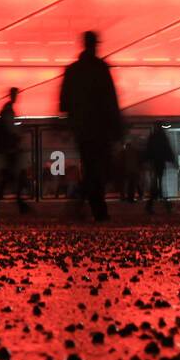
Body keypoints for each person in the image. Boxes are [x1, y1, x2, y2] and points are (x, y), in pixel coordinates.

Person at [58, 31, 121, 222]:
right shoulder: (101, 69)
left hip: (82, 129)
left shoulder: (73, 70)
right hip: (100, 128)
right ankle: (95, 209)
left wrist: (69, 122)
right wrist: (116, 126)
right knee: (97, 169)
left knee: (91, 167)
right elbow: (111, 100)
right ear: (94, 45)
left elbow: (64, 101)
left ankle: (87, 206)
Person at [0, 87, 31, 214]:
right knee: (13, 177)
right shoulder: (9, 110)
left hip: (5, 150)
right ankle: (19, 204)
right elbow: (11, 128)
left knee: (7, 178)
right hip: (8, 151)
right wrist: (17, 138)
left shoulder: (6, 110)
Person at [143, 123, 175, 213]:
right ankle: (164, 204)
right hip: (160, 162)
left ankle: (152, 204)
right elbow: (167, 149)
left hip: (155, 162)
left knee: (157, 183)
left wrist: (146, 160)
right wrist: (172, 160)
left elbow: (148, 150)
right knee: (160, 183)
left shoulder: (153, 137)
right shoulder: (162, 137)